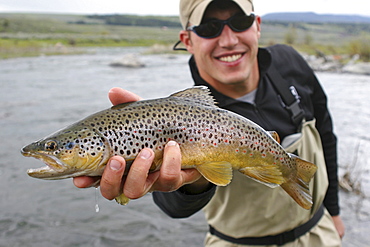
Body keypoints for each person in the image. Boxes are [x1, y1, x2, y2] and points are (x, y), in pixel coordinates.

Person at [74, 0, 345, 246]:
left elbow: (326, 134)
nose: (228, 40)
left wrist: (334, 212)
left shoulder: (291, 63)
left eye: (240, 23)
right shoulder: (181, 115)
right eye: (209, 27)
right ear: (187, 40)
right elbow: (174, 207)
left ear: (257, 26)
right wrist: (193, 182)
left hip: (319, 232)